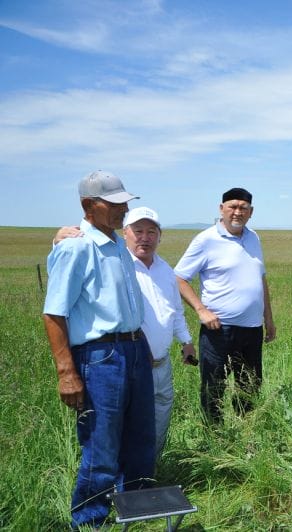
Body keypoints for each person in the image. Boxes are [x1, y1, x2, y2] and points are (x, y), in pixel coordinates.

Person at [42, 170, 154, 529]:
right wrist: (66, 372)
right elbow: (54, 313)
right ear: (89, 205)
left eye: (125, 202)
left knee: (140, 435)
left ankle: (136, 506)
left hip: (134, 349)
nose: (124, 209)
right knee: (101, 443)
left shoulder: (118, 244)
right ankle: (91, 520)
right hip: (101, 357)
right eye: (115, 203)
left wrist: (141, 347)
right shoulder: (75, 247)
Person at [54, 207, 199, 456]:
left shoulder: (165, 270)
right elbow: (75, 261)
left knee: (160, 416)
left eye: (151, 232)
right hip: (132, 362)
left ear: (160, 236)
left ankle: (151, 469)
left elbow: (175, 310)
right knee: (125, 427)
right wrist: (57, 242)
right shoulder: (118, 263)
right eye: (138, 231)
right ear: (125, 233)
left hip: (162, 363)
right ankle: (123, 476)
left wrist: (186, 341)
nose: (145, 238)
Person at [175, 188, 276, 423]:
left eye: (243, 208)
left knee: (249, 386)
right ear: (222, 209)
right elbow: (179, 278)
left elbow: (260, 278)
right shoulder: (206, 239)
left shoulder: (253, 238)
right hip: (219, 330)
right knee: (214, 388)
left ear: (251, 212)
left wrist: (268, 319)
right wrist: (201, 310)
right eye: (232, 207)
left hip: (252, 329)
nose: (237, 212)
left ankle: (246, 432)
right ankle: (214, 436)